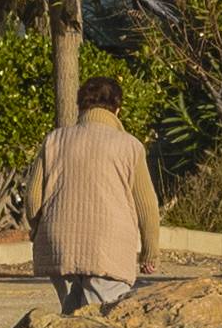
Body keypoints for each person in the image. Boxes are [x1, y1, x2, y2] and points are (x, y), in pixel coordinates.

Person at [29, 75, 159, 315]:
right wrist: (149, 252)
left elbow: (33, 199)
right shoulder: (129, 146)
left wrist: (39, 229)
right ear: (117, 110)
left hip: (58, 243)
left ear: (80, 107)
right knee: (100, 322)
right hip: (107, 247)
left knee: (70, 315)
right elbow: (147, 206)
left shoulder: (54, 140)